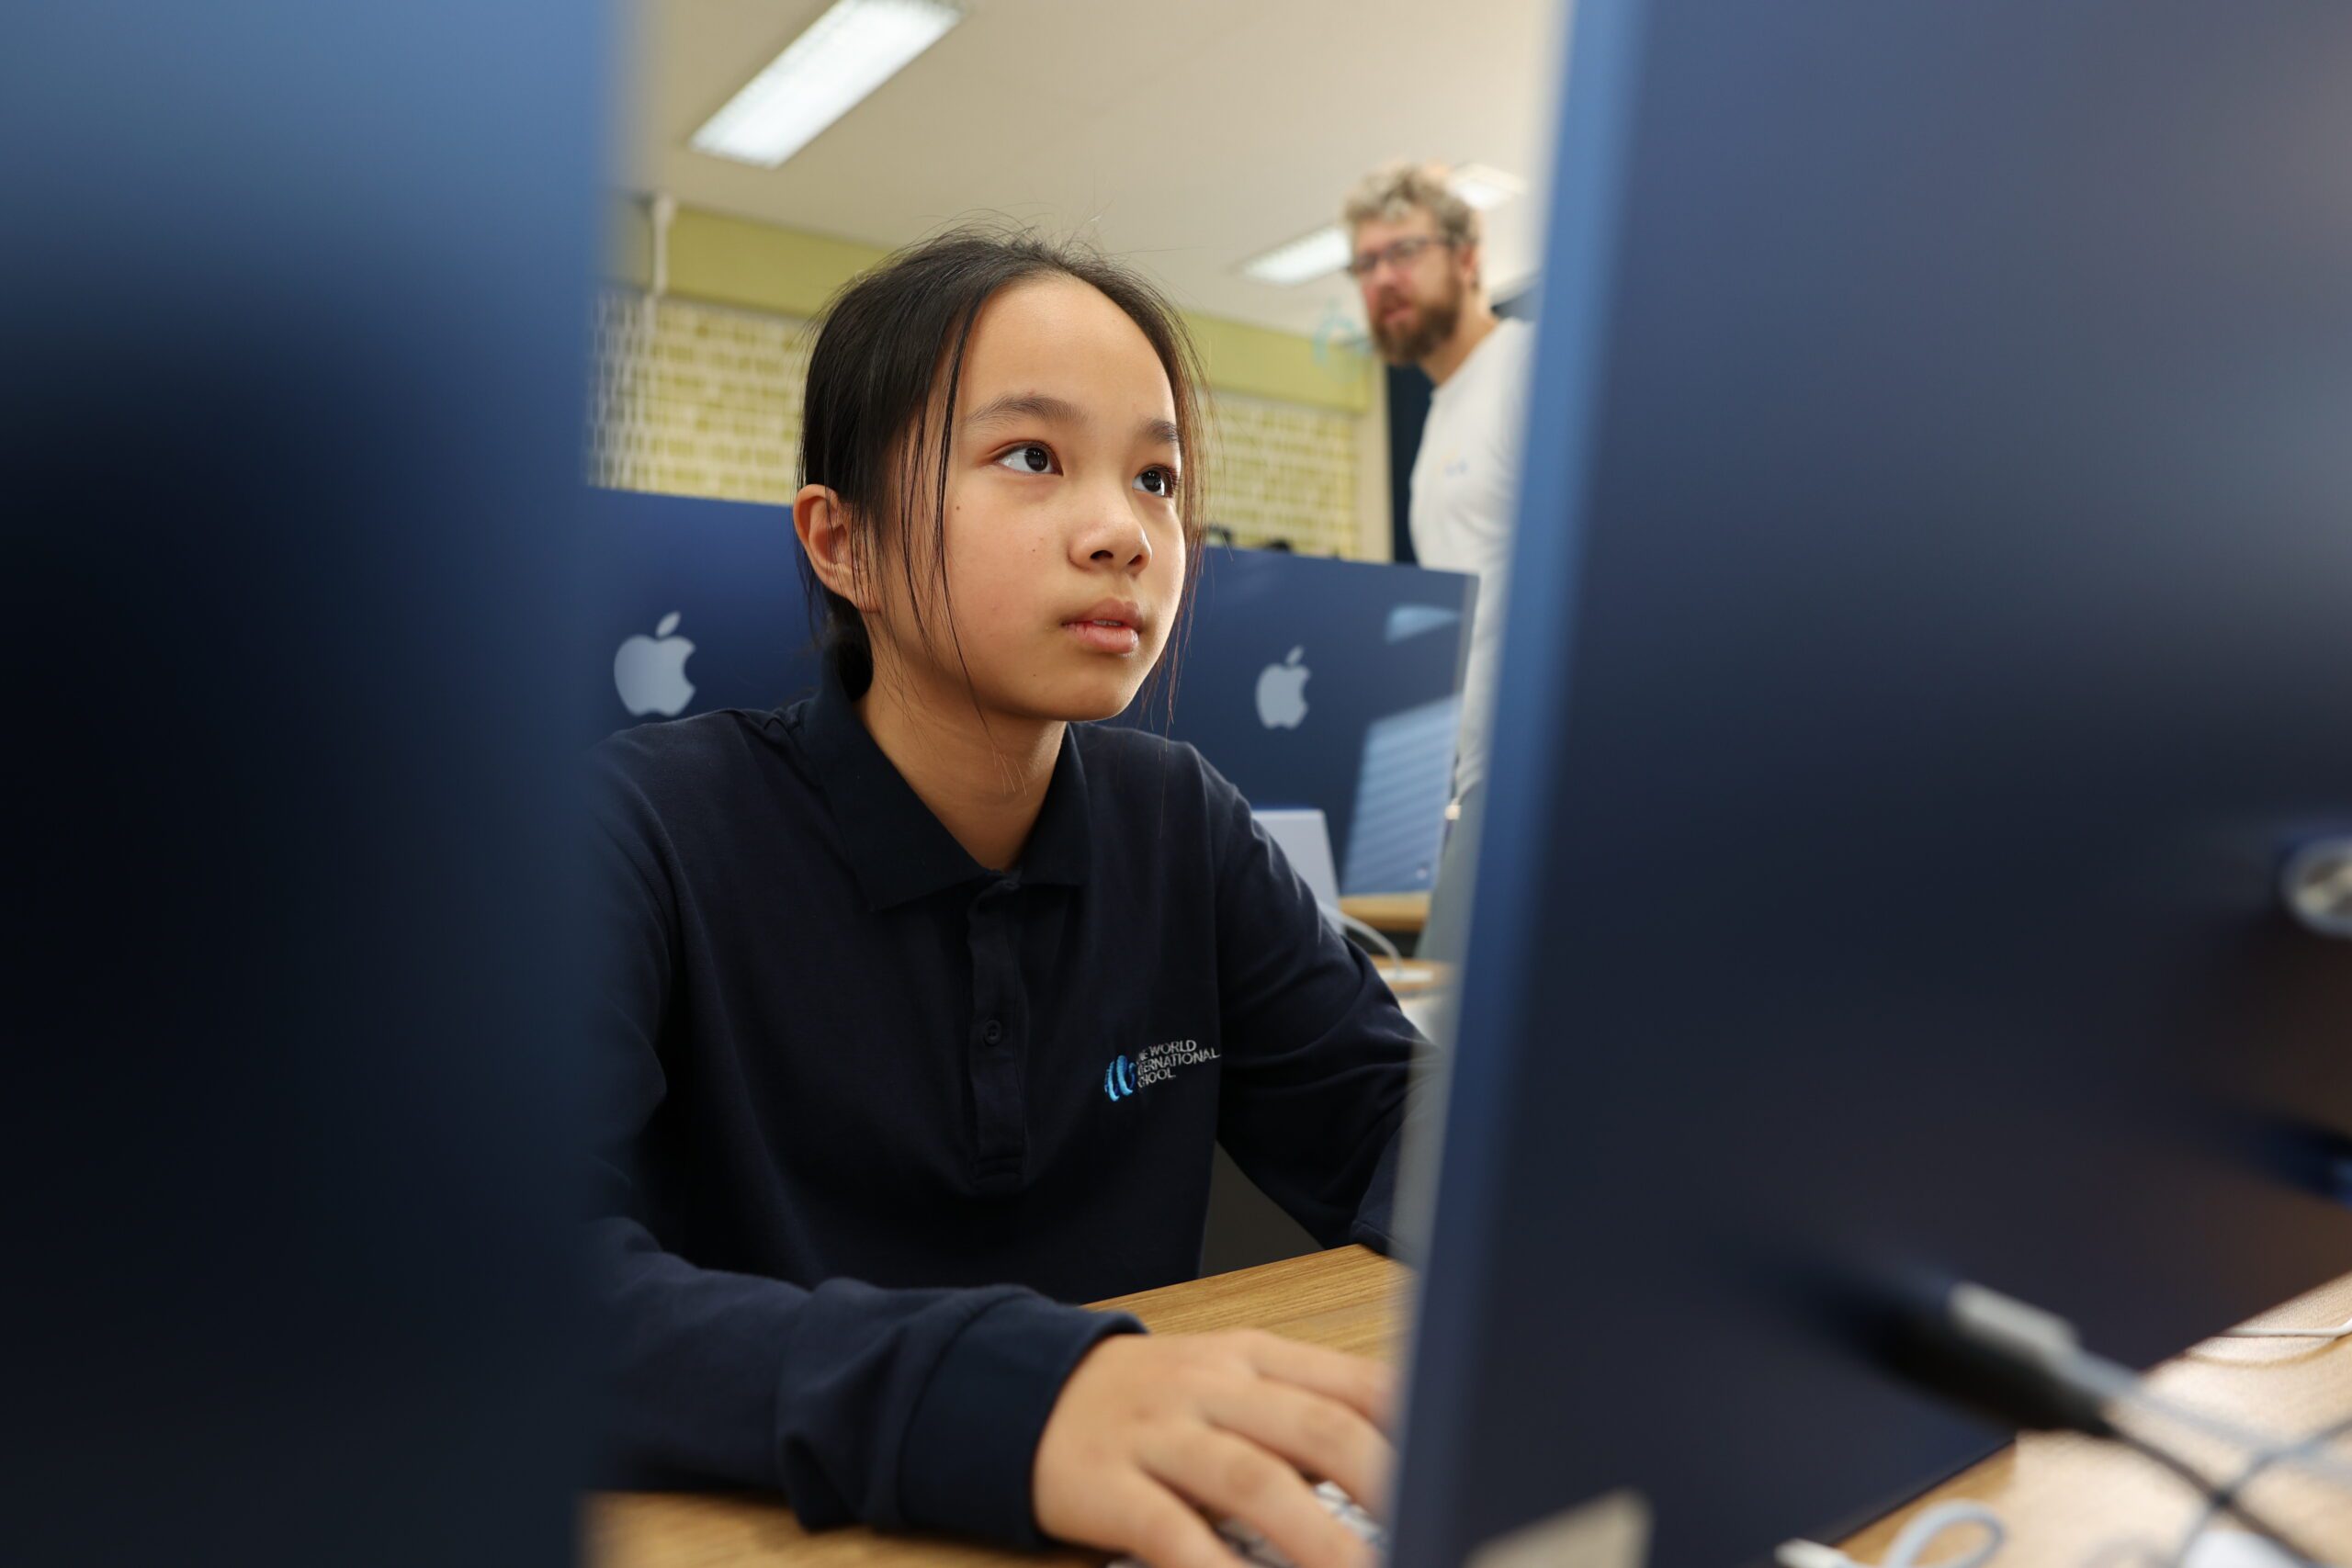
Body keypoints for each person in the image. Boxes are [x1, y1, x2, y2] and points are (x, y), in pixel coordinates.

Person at [589, 231, 1419, 1568]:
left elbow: (1387, 1119)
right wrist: (1007, 1395)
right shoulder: (646, 824)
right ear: (841, 542)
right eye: (1031, 456)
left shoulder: (1180, 818)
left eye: (1157, 476)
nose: (1123, 532)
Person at [1344, 161, 1536, 803]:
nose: (1383, 279)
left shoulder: (1524, 368)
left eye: (1404, 250)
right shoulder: (1437, 429)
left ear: (1468, 258)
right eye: (1365, 264)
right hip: (1480, 778)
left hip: (1549, 770)